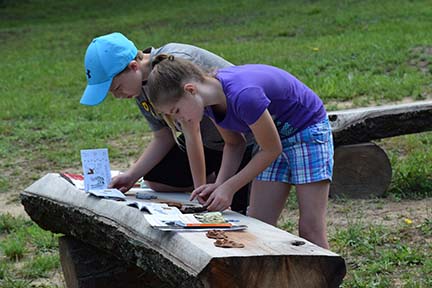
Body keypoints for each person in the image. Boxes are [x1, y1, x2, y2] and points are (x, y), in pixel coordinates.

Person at [146, 55, 334, 249]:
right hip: (273, 138)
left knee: (310, 229)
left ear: (190, 90)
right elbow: (234, 144)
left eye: (176, 111)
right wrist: (219, 185)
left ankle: (329, 278)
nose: (179, 120)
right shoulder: (209, 104)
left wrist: (229, 188)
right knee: (259, 225)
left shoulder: (244, 96)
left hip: (307, 132)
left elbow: (272, 149)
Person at [80, 32, 251, 214]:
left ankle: (219, 180)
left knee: (237, 212)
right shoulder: (140, 87)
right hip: (211, 142)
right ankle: (214, 178)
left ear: (133, 67)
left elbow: (193, 133)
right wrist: (131, 176)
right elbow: (163, 136)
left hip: (243, 138)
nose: (118, 96)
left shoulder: (173, 67)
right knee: (155, 178)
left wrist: (199, 189)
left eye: (117, 88)